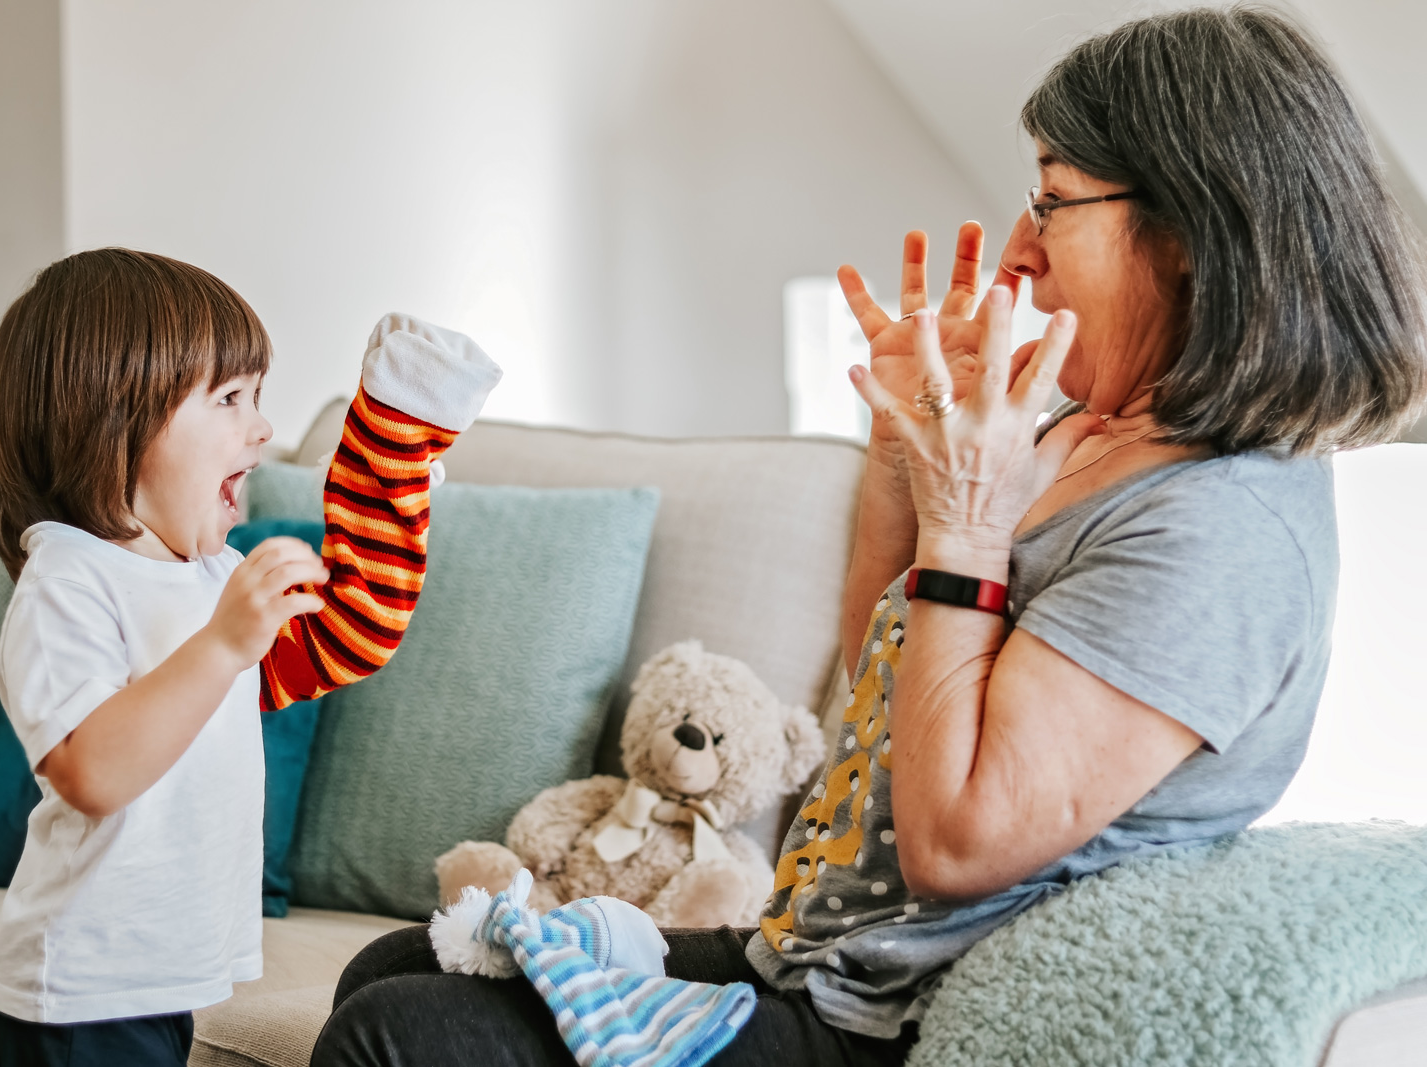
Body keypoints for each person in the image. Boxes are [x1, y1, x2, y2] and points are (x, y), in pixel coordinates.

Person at [309, 8, 1427, 1066]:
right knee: (397, 959)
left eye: (1052, 203)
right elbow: (886, 679)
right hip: (818, 962)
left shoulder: (1222, 527)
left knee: (405, 1031)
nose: (1019, 256)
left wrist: (966, 516)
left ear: (1186, 233)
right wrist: (908, 447)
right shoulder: (1086, 430)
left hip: (890, 1022)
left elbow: (955, 839)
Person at [0, 248, 500, 1067]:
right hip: (79, 990)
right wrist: (223, 643)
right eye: (229, 398)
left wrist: (391, 435)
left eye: (258, 395)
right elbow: (89, 772)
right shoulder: (68, 579)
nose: (262, 426)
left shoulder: (210, 574)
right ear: (113, 419)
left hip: (161, 981)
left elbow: (352, 630)